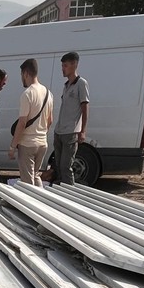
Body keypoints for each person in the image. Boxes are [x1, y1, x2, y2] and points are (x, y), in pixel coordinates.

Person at [8, 58, 52, 187]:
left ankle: (32, 205)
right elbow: (50, 120)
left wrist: (12, 147)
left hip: (27, 144)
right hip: (43, 143)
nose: (22, 78)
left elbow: (22, 123)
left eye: (22, 75)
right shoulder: (49, 94)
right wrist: (40, 134)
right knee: (35, 175)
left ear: (26, 73)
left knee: (27, 182)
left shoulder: (27, 94)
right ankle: (41, 202)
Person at [52, 51, 90, 186]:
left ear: (74, 65)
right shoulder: (66, 85)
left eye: (65, 66)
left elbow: (85, 108)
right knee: (58, 166)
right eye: (62, 66)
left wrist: (83, 130)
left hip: (71, 132)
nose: (63, 69)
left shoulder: (81, 83)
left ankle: (69, 195)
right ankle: (60, 192)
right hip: (60, 131)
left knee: (66, 166)